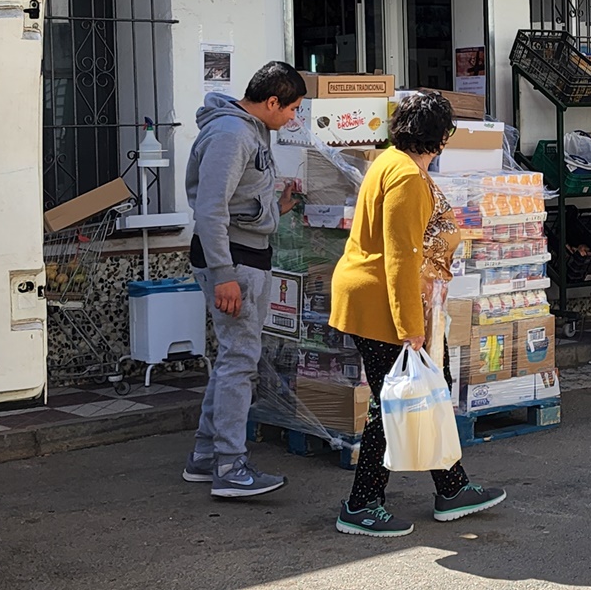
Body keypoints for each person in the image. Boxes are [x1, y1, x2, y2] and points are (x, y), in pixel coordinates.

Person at [331, 90, 505, 538]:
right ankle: (361, 503)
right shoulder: (407, 177)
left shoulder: (390, 161)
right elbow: (400, 256)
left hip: (380, 297)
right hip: (384, 304)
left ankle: (452, 486)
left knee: (429, 391)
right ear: (442, 138)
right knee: (393, 402)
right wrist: (411, 328)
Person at [181, 62, 306, 498]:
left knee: (235, 357)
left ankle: (204, 456)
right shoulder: (232, 135)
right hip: (232, 262)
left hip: (244, 255)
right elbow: (211, 209)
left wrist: (279, 207)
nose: (293, 117)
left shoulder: (251, 130)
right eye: (291, 108)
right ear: (271, 101)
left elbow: (240, 202)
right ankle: (230, 467)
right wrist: (224, 276)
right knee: (240, 361)